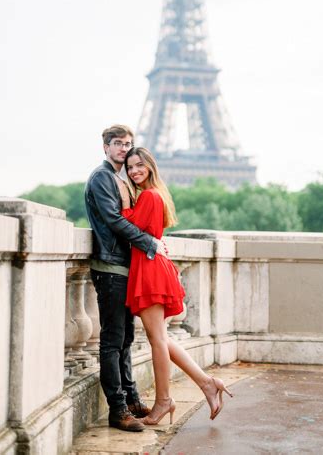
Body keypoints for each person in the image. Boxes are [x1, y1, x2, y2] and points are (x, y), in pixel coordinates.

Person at [121, 146, 233, 425]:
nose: (134, 171)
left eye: (138, 165)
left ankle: (164, 401)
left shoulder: (147, 195)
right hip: (153, 266)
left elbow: (123, 224)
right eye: (129, 167)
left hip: (149, 270)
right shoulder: (158, 194)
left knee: (157, 340)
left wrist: (122, 201)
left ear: (150, 165)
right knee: (163, 339)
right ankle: (207, 383)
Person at [85, 125, 168, 432]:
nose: (123, 149)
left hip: (124, 268)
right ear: (105, 147)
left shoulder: (120, 180)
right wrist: (150, 244)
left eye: (128, 144)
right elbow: (113, 219)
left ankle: (131, 400)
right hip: (110, 267)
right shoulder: (102, 177)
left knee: (126, 340)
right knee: (112, 340)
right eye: (118, 144)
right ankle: (117, 409)